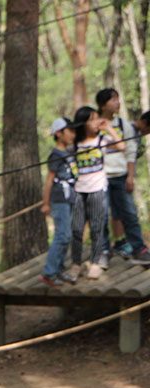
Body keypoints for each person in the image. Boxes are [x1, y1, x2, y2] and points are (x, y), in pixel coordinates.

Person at [96, 88, 150, 264]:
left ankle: (139, 249)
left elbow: (130, 152)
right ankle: (103, 251)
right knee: (101, 215)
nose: (117, 103)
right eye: (113, 100)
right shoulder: (94, 124)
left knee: (129, 214)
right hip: (99, 178)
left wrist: (130, 176)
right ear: (103, 104)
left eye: (118, 99)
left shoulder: (123, 124)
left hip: (120, 176)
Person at [71, 106, 124, 279]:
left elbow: (122, 146)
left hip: (98, 189)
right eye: (92, 119)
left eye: (96, 118)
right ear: (83, 123)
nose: (96, 122)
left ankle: (95, 262)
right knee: (77, 229)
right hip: (79, 191)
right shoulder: (75, 143)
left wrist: (108, 128)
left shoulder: (102, 139)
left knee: (97, 227)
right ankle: (76, 263)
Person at [40, 118, 79, 287]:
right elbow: (49, 180)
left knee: (67, 235)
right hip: (59, 199)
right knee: (62, 235)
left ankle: (59, 269)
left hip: (69, 198)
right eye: (69, 131)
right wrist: (46, 203)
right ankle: (49, 272)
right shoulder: (55, 156)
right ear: (59, 133)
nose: (73, 134)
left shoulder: (69, 153)